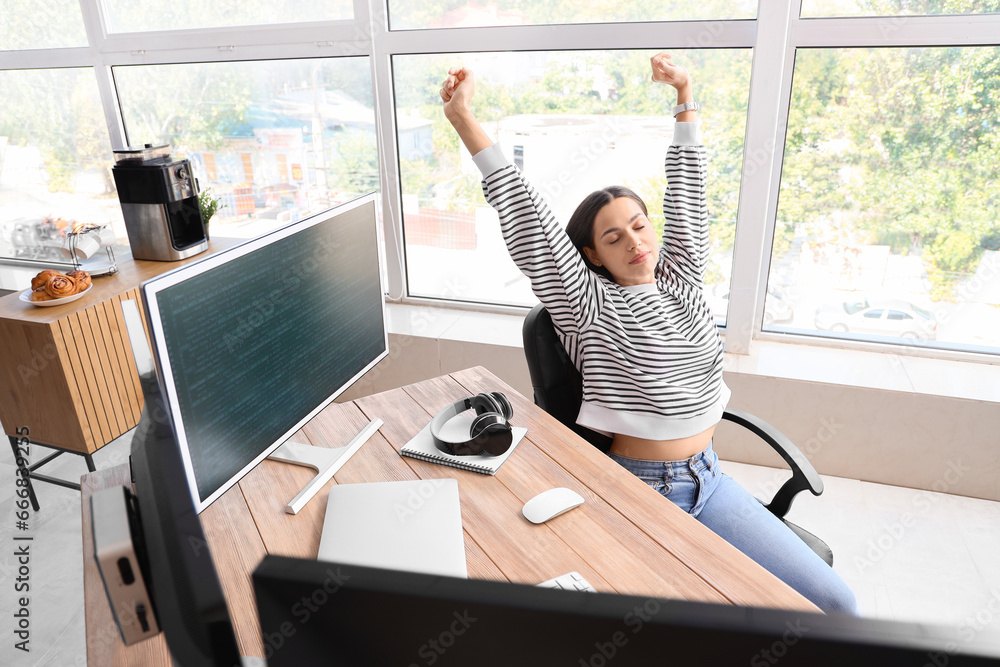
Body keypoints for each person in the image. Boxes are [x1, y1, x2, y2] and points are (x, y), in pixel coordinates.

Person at [441, 53, 858, 615]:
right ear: (590, 254)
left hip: (708, 481)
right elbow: (526, 215)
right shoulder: (586, 302)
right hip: (638, 489)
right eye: (613, 238)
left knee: (837, 605)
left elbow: (691, 199)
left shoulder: (682, 280)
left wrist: (684, 95)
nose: (634, 241)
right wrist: (465, 120)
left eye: (639, 226)